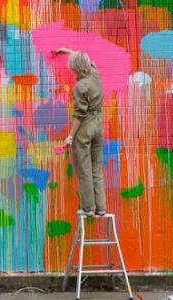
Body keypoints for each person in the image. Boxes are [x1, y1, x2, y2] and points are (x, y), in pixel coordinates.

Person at [53, 48, 106, 217]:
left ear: (76, 68)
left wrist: (69, 137)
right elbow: (86, 60)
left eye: (72, 67)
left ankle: (88, 208)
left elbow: (79, 115)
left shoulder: (80, 87)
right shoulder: (95, 75)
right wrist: (68, 51)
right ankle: (101, 208)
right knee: (96, 169)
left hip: (85, 128)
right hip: (98, 125)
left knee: (83, 169)